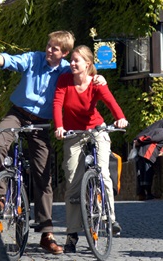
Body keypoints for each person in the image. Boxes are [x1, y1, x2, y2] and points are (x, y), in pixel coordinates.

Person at [0, 31, 106, 255]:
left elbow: (85, 74)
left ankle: (47, 234)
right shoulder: (34, 59)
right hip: (18, 113)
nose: (48, 50)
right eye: (48, 45)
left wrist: (99, 78)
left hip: (42, 124)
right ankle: (1, 197)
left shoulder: (66, 69)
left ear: (63, 53)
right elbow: (10, 60)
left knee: (44, 176)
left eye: (54, 48)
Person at [53, 45, 128, 253]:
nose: (72, 64)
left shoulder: (96, 82)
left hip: (96, 129)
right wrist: (59, 126)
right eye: (72, 60)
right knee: (72, 183)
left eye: (77, 60)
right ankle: (72, 234)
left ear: (88, 63)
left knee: (103, 172)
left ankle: (110, 219)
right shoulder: (64, 80)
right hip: (73, 133)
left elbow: (111, 101)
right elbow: (58, 103)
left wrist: (120, 118)